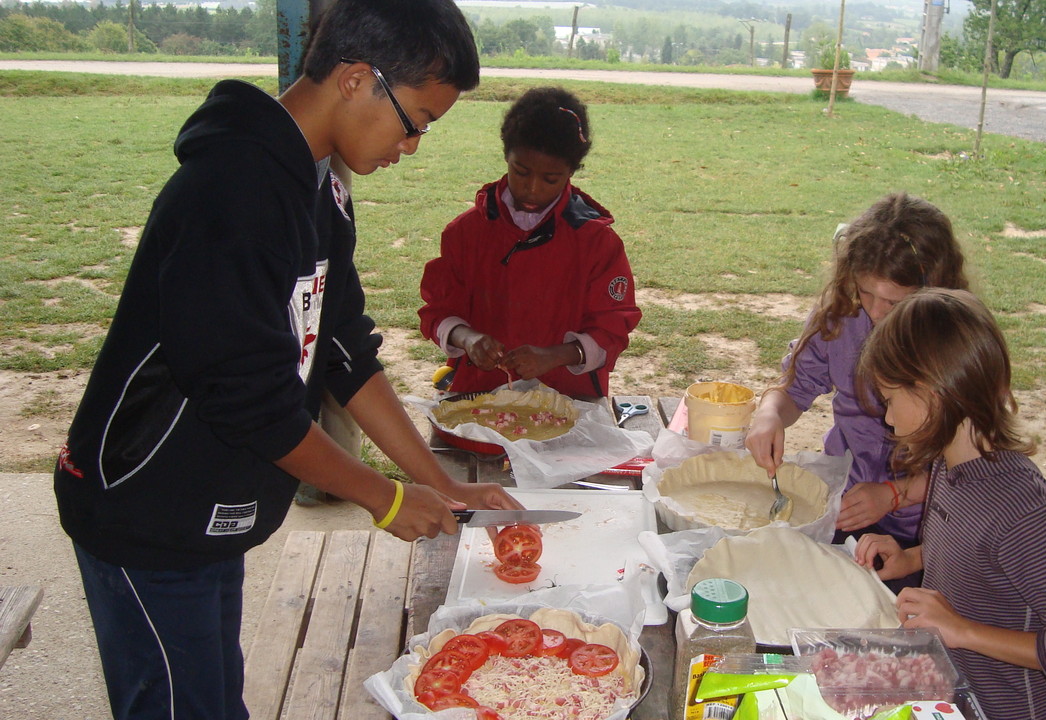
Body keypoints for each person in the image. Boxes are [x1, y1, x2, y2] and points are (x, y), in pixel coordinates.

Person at [51, 1, 521, 718]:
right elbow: (251, 399)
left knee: (212, 697)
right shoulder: (233, 191)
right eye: (418, 121)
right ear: (358, 79)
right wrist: (385, 497)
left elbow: (343, 351)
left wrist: (440, 487)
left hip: (207, 509)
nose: (413, 146)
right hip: (148, 512)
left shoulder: (319, 186)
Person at [853, 288, 1046, 719]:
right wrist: (909, 558)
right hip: (958, 696)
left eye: (889, 400)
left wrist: (962, 630)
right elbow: (983, 558)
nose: (887, 417)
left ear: (931, 393)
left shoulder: (1021, 516)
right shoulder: (950, 465)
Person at [744, 193, 968, 578]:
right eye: (867, 292)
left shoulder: (958, 342)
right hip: (848, 503)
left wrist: (895, 494)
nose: (876, 312)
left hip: (928, 530)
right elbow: (796, 387)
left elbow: (976, 467)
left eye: (895, 303)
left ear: (936, 290)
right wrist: (768, 415)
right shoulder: (843, 314)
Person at [419, 86, 641, 398]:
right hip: (481, 398)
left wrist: (556, 355)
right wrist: (467, 338)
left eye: (551, 179)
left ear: (571, 172)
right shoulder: (466, 232)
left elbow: (613, 330)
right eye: (520, 172)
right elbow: (438, 312)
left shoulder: (596, 243)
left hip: (569, 400)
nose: (532, 189)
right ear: (506, 156)